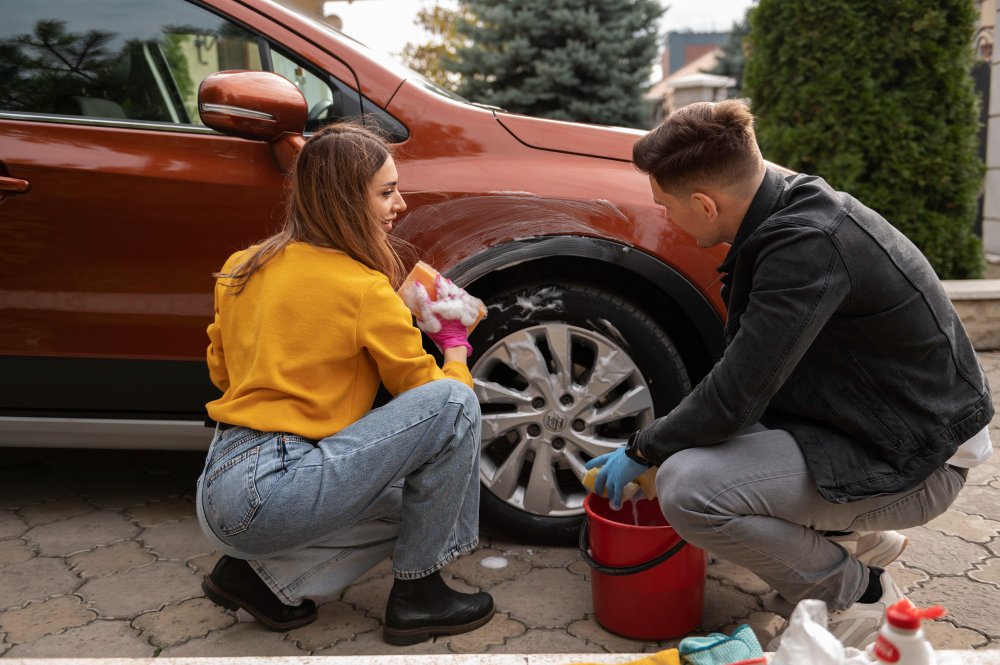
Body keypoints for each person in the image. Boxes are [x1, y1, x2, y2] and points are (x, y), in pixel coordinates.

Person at [586, 100, 993, 649]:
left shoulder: (808, 245)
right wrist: (663, 444)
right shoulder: (788, 211)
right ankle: (856, 540)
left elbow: (735, 398)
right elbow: (743, 382)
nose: (664, 217)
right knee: (700, 451)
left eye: (666, 206)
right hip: (878, 427)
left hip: (921, 460)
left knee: (690, 489)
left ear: (705, 204)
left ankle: (857, 593)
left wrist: (642, 449)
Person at [194, 121, 494, 646]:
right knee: (451, 403)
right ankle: (420, 594)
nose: (399, 204)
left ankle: (259, 580)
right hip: (275, 487)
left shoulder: (241, 266)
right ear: (344, 198)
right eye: (386, 192)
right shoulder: (362, 288)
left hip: (221, 482)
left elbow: (223, 373)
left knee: (419, 498)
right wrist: (453, 341)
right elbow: (444, 406)